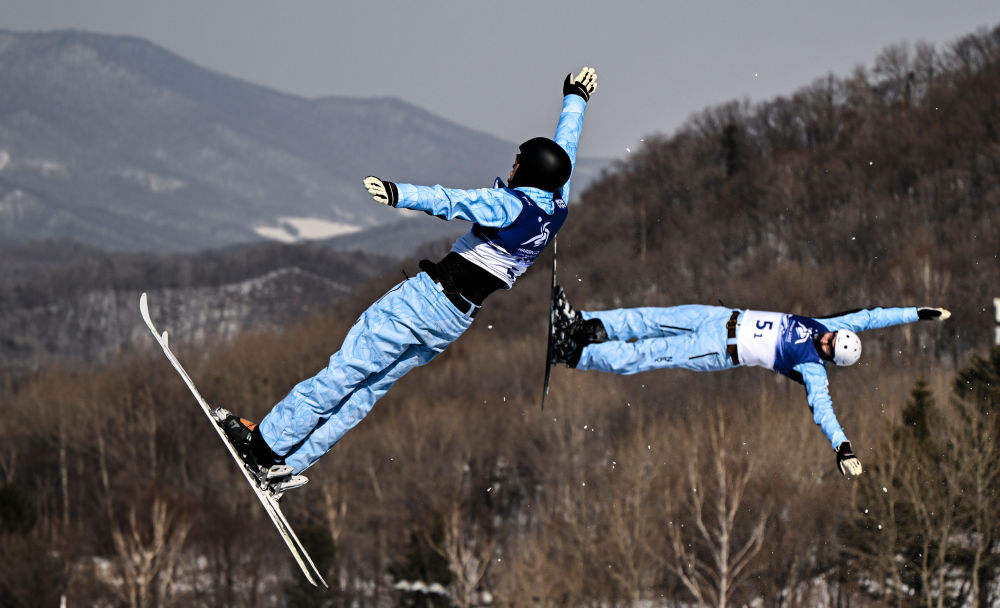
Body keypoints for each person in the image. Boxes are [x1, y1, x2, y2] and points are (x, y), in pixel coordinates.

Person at [218, 67, 598, 494]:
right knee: (368, 389)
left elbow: (454, 201)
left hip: (425, 302)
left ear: (527, 174)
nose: (511, 168)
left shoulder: (507, 206)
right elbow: (565, 152)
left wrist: (399, 193)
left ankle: (264, 448)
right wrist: (576, 99)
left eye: (517, 164)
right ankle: (291, 464)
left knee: (346, 369)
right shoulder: (555, 207)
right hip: (455, 320)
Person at [549, 286, 951, 477]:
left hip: (719, 350)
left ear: (830, 357)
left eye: (829, 345)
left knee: (646, 354)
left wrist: (843, 447)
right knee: (648, 316)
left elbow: (824, 411)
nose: (824, 339)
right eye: (829, 337)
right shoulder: (828, 327)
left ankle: (575, 353)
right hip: (719, 317)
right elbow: (873, 316)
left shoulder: (812, 368)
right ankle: (579, 324)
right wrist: (918, 312)